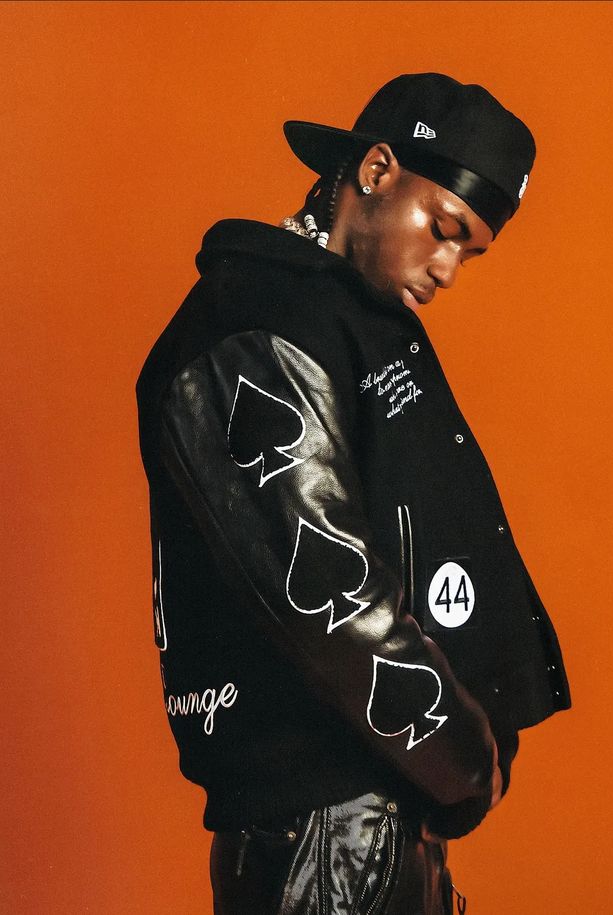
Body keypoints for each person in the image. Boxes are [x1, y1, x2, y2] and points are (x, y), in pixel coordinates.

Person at [136, 72, 571, 914]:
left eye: (469, 252)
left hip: (365, 828)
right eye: (443, 229)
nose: (447, 268)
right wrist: (464, 758)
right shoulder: (256, 325)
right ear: (375, 170)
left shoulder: (342, 320)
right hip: (328, 843)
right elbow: (328, 595)